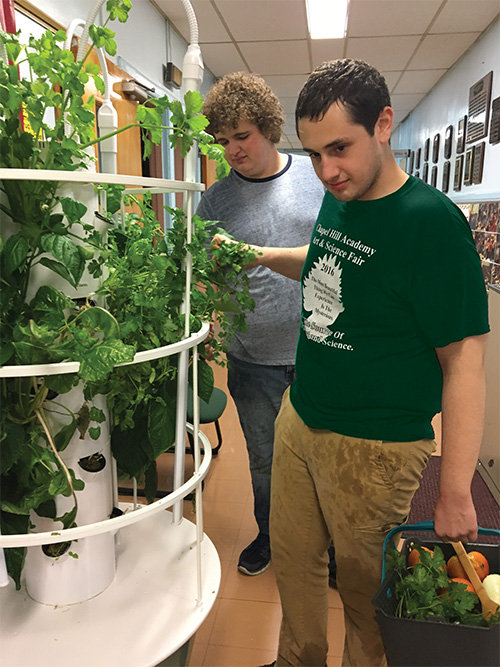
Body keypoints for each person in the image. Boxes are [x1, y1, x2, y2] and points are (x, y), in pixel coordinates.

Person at [214, 59, 489, 666]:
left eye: (339, 148)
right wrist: (259, 255)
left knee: (367, 603)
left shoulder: (431, 224)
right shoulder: (343, 197)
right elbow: (324, 262)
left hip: (376, 446)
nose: (326, 170)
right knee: (295, 568)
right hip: (300, 418)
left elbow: (465, 361)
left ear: (383, 124)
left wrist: (455, 491)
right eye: (313, 154)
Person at [196, 72, 327, 576]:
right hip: (252, 360)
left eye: (241, 135)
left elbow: (340, 251)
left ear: (268, 128)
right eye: (222, 140)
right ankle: (270, 536)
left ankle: (327, 548)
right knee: (264, 461)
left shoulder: (314, 177)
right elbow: (205, 274)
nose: (232, 149)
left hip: (321, 349)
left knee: (322, 460)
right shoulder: (214, 202)